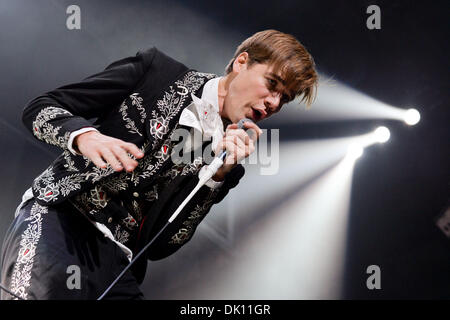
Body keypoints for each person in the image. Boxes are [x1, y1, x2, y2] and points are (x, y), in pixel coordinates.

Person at [0, 29, 317, 300]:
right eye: (273, 84)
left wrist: (215, 177)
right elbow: (41, 108)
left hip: (121, 264)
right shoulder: (157, 72)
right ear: (242, 62)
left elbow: (163, 244)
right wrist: (86, 137)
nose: (274, 103)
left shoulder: (228, 163)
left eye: (285, 98)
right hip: (63, 218)